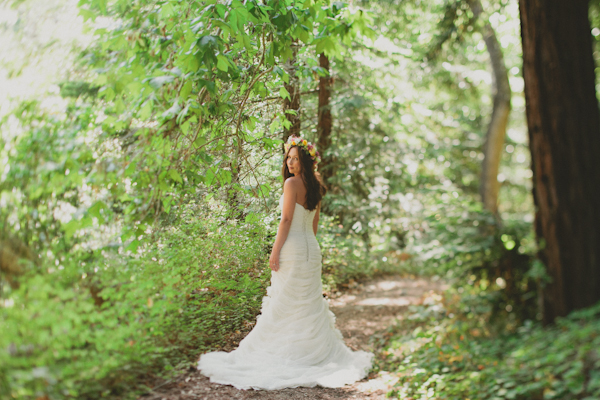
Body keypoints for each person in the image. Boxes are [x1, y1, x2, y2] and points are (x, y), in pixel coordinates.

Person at [197, 136, 373, 390]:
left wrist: (275, 250)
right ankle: (310, 352)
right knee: (307, 301)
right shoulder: (317, 187)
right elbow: (314, 225)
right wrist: (308, 246)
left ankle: (288, 354)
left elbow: (286, 221)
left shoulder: (291, 184)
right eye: (288, 158)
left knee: (287, 300)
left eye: (295, 158)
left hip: (292, 248)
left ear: (304, 161)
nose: (290, 162)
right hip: (311, 248)